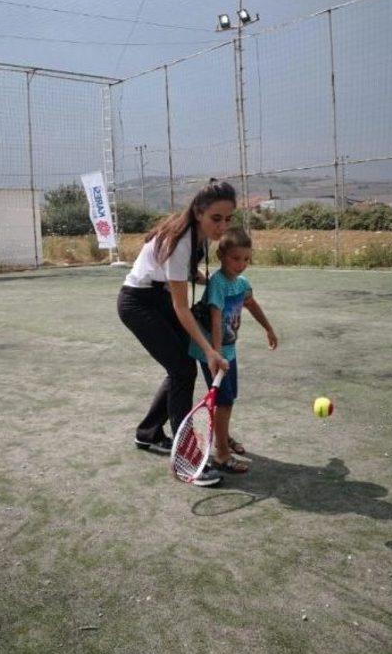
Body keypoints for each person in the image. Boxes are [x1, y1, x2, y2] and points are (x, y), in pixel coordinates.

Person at [117, 180, 236, 486]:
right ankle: (187, 459)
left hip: (157, 296)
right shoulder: (183, 240)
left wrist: (195, 274)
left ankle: (149, 434)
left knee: (179, 367)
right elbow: (182, 308)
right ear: (199, 212)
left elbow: (174, 274)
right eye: (216, 218)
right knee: (182, 368)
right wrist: (210, 351)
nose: (222, 226)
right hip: (138, 302)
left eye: (228, 218)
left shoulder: (199, 234)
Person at [189, 227, 278, 472]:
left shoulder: (242, 283)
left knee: (228, 400)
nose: (241, 264)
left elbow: (251, 304)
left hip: (228, 351)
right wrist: (215, 355)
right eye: (235, 258)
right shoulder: (217, 283)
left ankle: (223, 436)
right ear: (222, 256)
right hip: (214, 352)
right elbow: (216, 319)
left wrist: (268, 329)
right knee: (224, 402)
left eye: (246, 259)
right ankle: (221, 454)